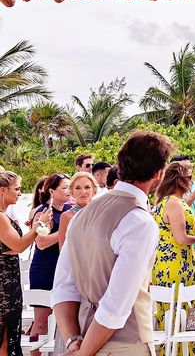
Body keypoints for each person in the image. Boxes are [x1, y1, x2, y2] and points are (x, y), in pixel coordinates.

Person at [52, 130, 173, 356]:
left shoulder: (82, 215)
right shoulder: (139, 222)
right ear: (159, 173)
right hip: (125, 343)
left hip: (81, 336)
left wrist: (73, 341)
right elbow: (116, 306)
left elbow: (63, 287)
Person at [151, 161, 195, 356]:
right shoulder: (173, 202)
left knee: (178, 308)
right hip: (175, 262)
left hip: (176, 260)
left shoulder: (170, 201)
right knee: (177, 308)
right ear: (178, 179)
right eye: (188, 178)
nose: (192, 181)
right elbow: (181, 238)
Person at [0, 171, 52, 356]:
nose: (20, 193)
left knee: (8, 333)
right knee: (4, 337)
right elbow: (19, 245)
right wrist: (39, 225)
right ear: (3, 190)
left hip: (9, 279)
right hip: (3, 283)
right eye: (17, 189)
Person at [30, 173, 72, 345]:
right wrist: (63, 231)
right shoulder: (43, 212)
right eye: (64, 188)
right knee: (41, 323)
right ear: (52, 191)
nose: (69, 191)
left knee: (64, 323)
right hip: (44, 269)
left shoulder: (69, 211)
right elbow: (41, 243)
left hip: (62, 269)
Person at [58, 172, 98, 248]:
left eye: (87, 187)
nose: (83, 192)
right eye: (78, 188)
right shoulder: (66, 217)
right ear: (72, 192)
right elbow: (62, 249)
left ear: (94, 190)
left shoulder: (101, 213)